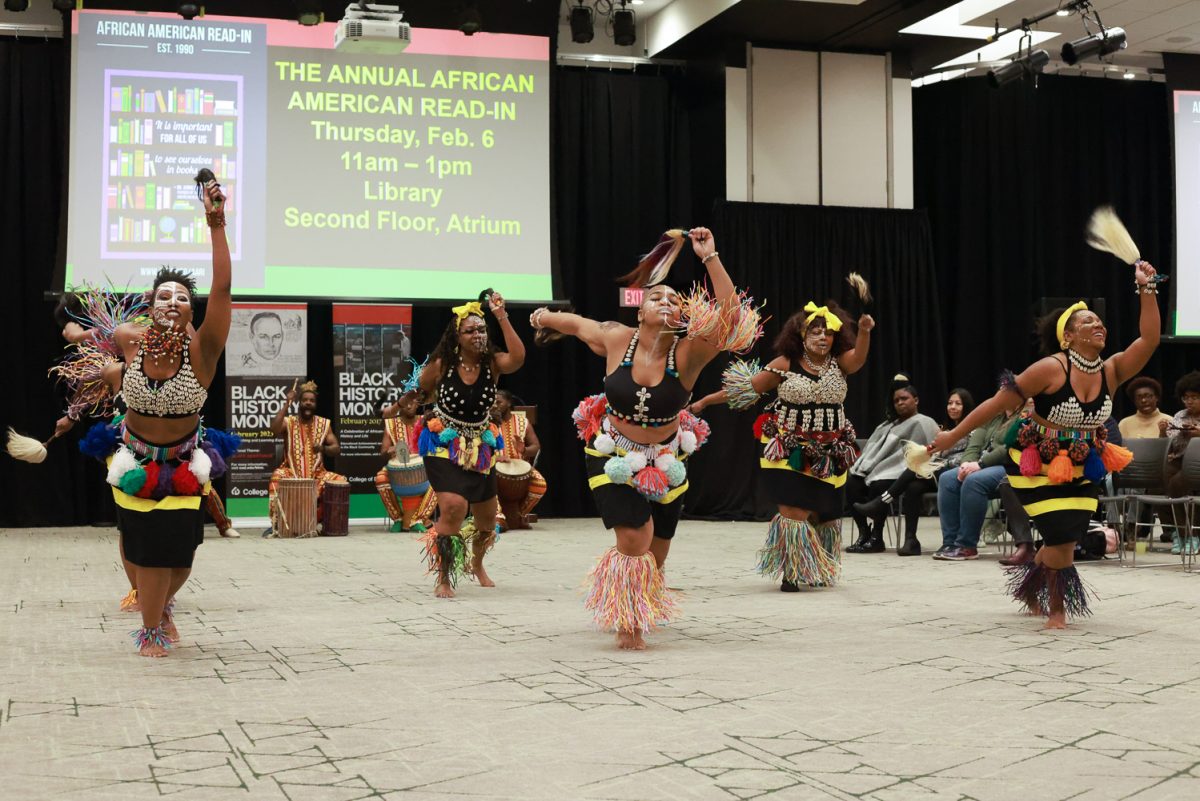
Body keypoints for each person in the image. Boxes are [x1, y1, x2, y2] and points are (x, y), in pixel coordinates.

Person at [531, 227, 756, 649]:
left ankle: (644, 600)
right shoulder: (617, 338)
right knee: (635, 537)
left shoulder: (690, 353)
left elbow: (729, 316)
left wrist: (710, 257)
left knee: (657, 553)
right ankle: (628, 621)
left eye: (674, 299)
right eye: (657, 297)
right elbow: (578, 324)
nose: (666, 301)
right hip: (612, 451)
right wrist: (542, 317)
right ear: (640, 311)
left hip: (668, 459)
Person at [931, 260, 1161, 629]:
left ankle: (1031, 587)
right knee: (1061, 538)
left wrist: (1146, 289)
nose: (1098, 324)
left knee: (1066, 536)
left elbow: (1148, 339)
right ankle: (1057, 611)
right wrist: (952, 437)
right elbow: (997, 404)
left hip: (1084, 462)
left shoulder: (1112, 369)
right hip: (1037, 464)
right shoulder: (1050, 369)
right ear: (1068, 336)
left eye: (1099, 321)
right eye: (1087, 322)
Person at [77, 176, 238, 656]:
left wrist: (216, 224)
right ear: (150, 308)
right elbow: (102, 365)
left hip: (185, 464)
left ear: (193, 313)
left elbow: (224, 287)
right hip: (136, 460)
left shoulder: (204, 350)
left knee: (181, 559)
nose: (173, 301)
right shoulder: (129, 342)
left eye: (183, 297)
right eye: (163, 296)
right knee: (142, 549)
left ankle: (163, 603)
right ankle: (150, 627)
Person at [691, 298, 873, 590]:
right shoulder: (785, 363)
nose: (822, 337)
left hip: (829, 451)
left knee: (824, 513)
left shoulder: (840, 364)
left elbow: (859, 358)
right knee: (794, 510)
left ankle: (818, 565)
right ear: (801, 335)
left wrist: (864, 331)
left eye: (828, 333)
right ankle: (792, 571)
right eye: (815, 332)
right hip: (790, 449)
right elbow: (746, 389)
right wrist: (704, 401)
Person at [411, 293, 525, 598]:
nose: (478, 335)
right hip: (442, 443)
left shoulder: (493, 364)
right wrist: (417, 409)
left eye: (481, 330)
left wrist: (501, 316)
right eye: (471, 331)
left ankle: (476, 562)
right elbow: (420, 388)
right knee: (453, 507)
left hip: (480, 445)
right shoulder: (442, 365)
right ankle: (444, 576)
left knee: (488, 520)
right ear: (457, 337)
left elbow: (518, 357)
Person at [852, 388, 975, 556]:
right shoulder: (946, 430)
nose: (952, 407)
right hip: (936, 472)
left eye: (958, 404)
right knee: (913, 487)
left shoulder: (973, 430)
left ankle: (881, 502)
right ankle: (911, 540)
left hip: (956, 472)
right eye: (950, 403)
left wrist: (937, 460)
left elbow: (970, 455)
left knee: (914, 469)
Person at [844, 379, 939, 554]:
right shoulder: (887, 425)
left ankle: (876, 538)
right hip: (881, 469)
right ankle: (864, 533)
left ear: (916, 400)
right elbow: (875, 451)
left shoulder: (924, 422)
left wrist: (886, 467)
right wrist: (871, 466)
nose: (900, 403)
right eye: (896, 401)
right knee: (853, 483)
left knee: (878, 484)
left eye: (904, 398)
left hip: (907, 471)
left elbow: (930, 454)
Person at [931, 399, 1030, 562]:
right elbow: (974, 445)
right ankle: (950, 543)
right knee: (947, 479)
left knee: (974, 481)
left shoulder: (1025, 417)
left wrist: (980, 464)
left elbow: (1009, 449)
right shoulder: (992, 417)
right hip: (980, 465)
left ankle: (967, 545)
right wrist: (965, 464)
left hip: (1009, 466)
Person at [267, 380, 346, 535]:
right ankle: (277, 524)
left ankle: (317, 522)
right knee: (276, 478)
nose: (308, 403)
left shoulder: (324, 424)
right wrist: (286, 404)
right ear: (299, 403)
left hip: (317, 475)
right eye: (305, 400)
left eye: (311, 401)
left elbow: (336, 448)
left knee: (340, 481)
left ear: (315, 404)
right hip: (291, 473)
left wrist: (323, 448)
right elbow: (273, 429)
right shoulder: (289, 422)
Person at [375, 392, 436, 533]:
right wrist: (390, 450)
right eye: (406, 402)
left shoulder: (425, 421)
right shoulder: (390, 423)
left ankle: (419, 519)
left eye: (413, 401)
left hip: (424, 468)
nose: (409, 405)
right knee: (380, 478)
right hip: (397, 470)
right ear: (400, 404)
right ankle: (398, 518)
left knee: (440, 480)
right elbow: (383, 452)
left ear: (418, 404)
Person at [492, 389, 546, 531]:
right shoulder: (487, 423)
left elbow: (536, 446)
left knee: (540, 485)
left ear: (509, 403)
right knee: (486, 481)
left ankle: (519, 515)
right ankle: (498, 518)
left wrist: (524, 450)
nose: (495, 405)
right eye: (493, 402)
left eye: (499, 402)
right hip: (492, 465)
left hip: (520, 467)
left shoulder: (522, 422)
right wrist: (495, 458)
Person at [1164, 370, 1200, 554]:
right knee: (1163, 478)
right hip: (1180, 459)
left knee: (1177, 482)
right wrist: (1180, 433)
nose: (1189, 401)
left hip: (1197, 462)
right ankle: (1179, 533)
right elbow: (1172, 441)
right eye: (1186, 397)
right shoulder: (1180, 415)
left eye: (1194, 397)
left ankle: (1191, 534)